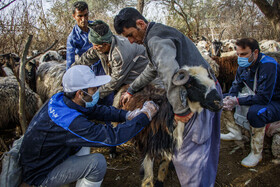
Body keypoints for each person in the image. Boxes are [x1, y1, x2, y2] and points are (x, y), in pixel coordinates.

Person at [114, 7, 222, 187]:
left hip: (197, 99)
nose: (131, 41)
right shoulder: (158, 33)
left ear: (140, 24)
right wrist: (132, 89)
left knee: (187, 156)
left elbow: (171, 76)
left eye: (131, 35)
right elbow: (152, 68)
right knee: (206, 148)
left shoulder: (155, 40)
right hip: (210, 90)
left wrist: (180, 111)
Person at [19, 65, 159, 187]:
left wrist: (127, 115)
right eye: (94, 89)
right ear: (80, 93)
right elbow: (113, 137)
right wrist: (144, 116)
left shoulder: (62, 99)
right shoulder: (70, 122)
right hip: (40, 174)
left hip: (48, 156)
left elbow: (96, 110)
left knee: (84, 143)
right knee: (97, 163)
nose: (98, 91)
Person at [221, 38, 280, 167]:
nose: (240, 57)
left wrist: (236, 101)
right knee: (222, 100)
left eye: (244, 54)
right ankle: (235, 132)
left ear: (255, 52)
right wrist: (229, 97)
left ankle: (256, 152)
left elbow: (264, 98)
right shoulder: (244, 65)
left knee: (255, 112)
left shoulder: (268, 65)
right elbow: (236, 85)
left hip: (275, 101)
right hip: (256, 96)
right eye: (238, 54)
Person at [72, 20, 149, 100]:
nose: (93, 48)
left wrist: (93, 97)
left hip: (139, 79)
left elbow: (114, 82)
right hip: (122, 76)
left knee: (120, 101)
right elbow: (86, 58)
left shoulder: (119, 55)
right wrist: (71, 72)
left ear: (105, 45)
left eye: (95, 46)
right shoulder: (101, 46)